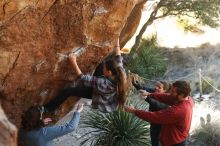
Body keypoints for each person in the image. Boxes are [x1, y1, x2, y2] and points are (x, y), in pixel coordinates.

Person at [43, 38, 127, 113]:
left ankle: (48, 108)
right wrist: (117, 37)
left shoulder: (103, 84)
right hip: (105, 86)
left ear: (109, 73)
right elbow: (118, 55)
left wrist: (73, 62)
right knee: (101, 64)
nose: (103, 69)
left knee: (69, 90)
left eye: (105, 69)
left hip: (98, 94)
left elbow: (83, 78)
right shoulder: (120, 71)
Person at [125, 81, 193, 146]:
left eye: (173, 92)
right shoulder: (188, 99)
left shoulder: (178, 111)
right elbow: (167, 97)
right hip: (177, 139)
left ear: (182, 94)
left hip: (174, 142)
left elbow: (154, 116)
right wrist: (150, 94)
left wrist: (134, 111)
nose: (170, 93)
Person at [19, 103, 84, 146]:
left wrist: (41, 123)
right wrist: (77, 112)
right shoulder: (45, 132)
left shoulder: (21, 131)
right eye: (41, 115)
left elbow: (32, 130)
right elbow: (71, 127)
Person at [132, 79, 171, 146]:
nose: (156, 88)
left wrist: (147, 98)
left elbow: (159, 105)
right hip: (153, 121)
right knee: (154, 141)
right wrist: (136, 84)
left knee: (159, 141)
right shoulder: (154, 92)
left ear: (165, 90)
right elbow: (144, 89)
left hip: (162, 125)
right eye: (156, 86)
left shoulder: (167, 99)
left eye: (159, 87)